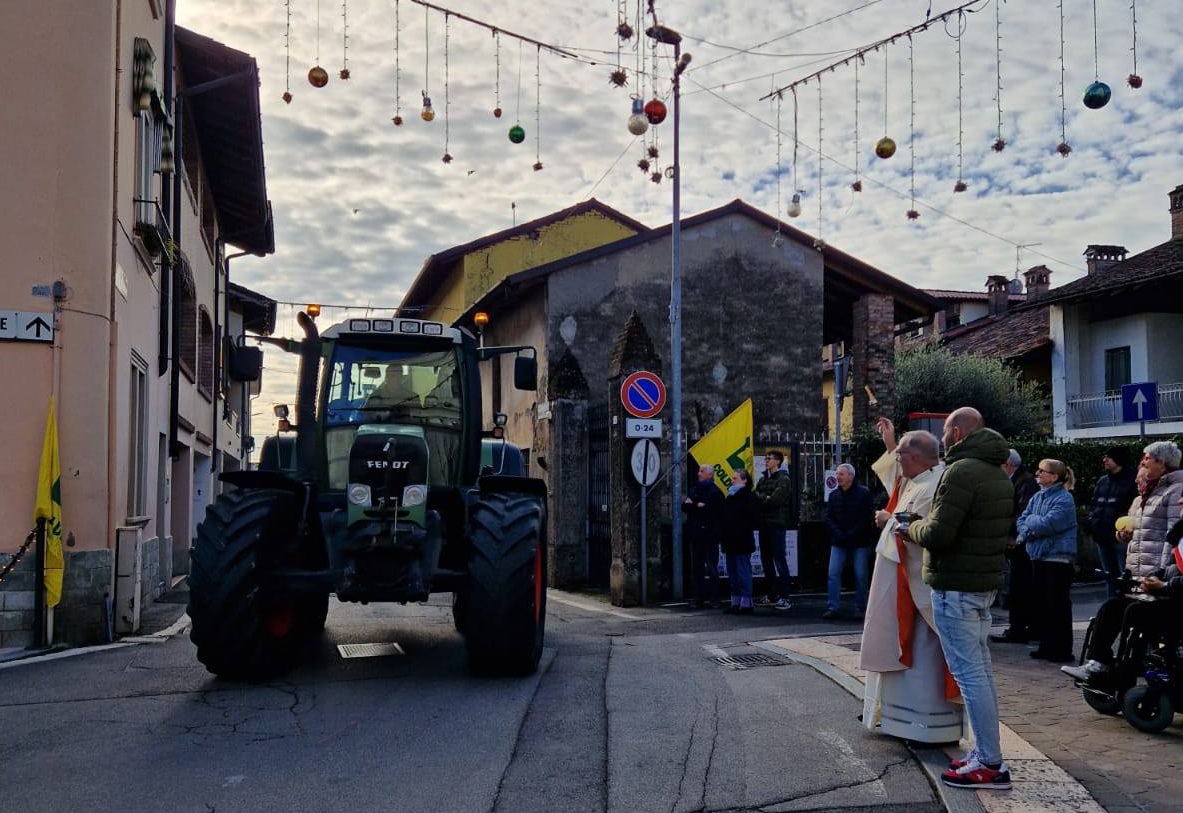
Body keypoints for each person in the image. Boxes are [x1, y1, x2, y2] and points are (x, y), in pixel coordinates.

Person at [907, 407, 1014, 791]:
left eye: (946, 430)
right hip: (981, 584)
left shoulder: (962, 471)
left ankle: (989, 762)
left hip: (955, 586)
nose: (944, 436)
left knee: (970, 676)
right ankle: (987, 753)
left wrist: (908, 526)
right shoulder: (997, 472)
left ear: (956, 431)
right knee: (980, 672)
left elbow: (939, 533)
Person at [860, 418, 963, 744]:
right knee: (902, 650)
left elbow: (923, 530)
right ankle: (896, 718)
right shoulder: (917, 480)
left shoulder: (935, 485)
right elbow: (899, 489)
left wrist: (889, 521)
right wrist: (891, 443)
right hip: (899, 582)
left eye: (901, 455)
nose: (897, 462)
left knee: (922, 654)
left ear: (915, 458)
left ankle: (927, 725)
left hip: (917, 588)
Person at [1063, 440, 1183, 683]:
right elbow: (1140, 532)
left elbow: (1174, 537)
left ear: (1162, 462)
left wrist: (1161, 576)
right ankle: (1100, 663)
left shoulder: (1175, 491)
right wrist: (1124, 536)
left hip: (1160, 572)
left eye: (1147, 458)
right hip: (1142, 567)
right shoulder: (1145, 494)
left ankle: (1135, 673)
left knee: (1138, 616)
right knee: (1113, 607)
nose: (1142, 463)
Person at [1016, 459, 1078, 663]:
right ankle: (1046, 645)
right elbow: (1022, 520)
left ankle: (1061, 649)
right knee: (1042, 604)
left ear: (1054, 477)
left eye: (1043, 471)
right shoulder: (1037, 497)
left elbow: (1048, 524)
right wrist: (1030, 527)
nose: (1038, 473)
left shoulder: (1064, 499)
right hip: (1038, 555)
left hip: (1057, 559)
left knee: (1057, 605)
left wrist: (1032, 525)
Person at [990, 449, 1039, 643]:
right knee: (1016, 586)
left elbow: (1022, 512)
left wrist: (1013, 534)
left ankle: (1021, 628)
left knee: (1020, 586)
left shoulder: (1024, 482)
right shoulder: (1016, 481)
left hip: (1021, 543)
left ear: (1008, 464)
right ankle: (1017, 627)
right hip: (1016, 540)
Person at [823, 462, 875, 619]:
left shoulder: (863, 493)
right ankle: (833, 606)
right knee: (833, 573)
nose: (837, 477)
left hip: (860, 541)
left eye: (841, 474)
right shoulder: (834, 495)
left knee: (860, 574)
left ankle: (861, 607)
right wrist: (838, 533)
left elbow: (866, 517)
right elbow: (828, 516)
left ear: (851, 476)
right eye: (837, 474)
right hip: (839, 541)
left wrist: (851, 533)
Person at [1085, 446, 1138, 599]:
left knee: (1124, 577)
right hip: (1101, 536)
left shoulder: (1131, 480)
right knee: (1109, 578)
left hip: (1121, 537)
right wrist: (1092, 523)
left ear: (1119, 459)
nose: (1104, 460)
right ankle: (1111, 612)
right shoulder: (1102, 481)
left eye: (1109, 457)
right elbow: (1094, 504)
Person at [754, 450, 794, 610]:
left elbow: (776, 499)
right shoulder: (763, 479)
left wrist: (762, 497)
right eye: (765, 458)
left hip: (777, 525)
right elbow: (756, 495)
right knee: (766, 560)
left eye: (769, 458)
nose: (766, 461)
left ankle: (785, 596)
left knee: (779, 560)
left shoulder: (784, 480)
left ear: (777, 461)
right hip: (764, 524)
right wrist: (765, 498)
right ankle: (771, 595)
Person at [683, 464, 724, 608]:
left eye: (702, 471)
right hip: (695, 534)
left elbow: (711, 511)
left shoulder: (715, 492)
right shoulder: (694, 490)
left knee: (712, 567)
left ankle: (715, 598)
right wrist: (696, 506)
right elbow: (685, 506)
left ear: (710, 475)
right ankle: (697, 596)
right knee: (696, 568)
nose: (698, 473)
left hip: (710, 535)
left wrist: (694, 506)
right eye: (699, 471)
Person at [720, 468, 759, 615]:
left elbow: (751, 519)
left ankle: (746, 602)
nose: (732, 480)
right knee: (733, 573)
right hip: (730, 540)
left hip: (741, 540)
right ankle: (735, 601)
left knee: (742, 572)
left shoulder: (748, 497)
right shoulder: (730, 497)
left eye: (735, 478)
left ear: (744, 480)